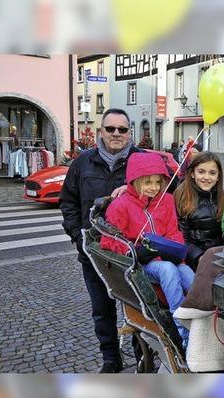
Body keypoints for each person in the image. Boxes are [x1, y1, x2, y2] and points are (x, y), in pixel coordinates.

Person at [60, 108, 142, 373]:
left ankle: (143, 356)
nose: (116, 134)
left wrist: (131, 190)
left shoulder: (140, 161)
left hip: (132, 252)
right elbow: (68, 201)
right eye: (111, 129)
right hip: (93, 252)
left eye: (122, 129)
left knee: (139, 307)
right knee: (101, 310)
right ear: (101, 131)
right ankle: (111, 359)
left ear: (130, 132)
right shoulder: (83, 162)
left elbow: (164, 193)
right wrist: (76, 235)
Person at [100, 152, 194, 347]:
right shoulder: (121, 205)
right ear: (134, 181)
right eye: (147, 182)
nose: (154, 188)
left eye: (158, 182)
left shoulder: (166, 200)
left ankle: (201, 319)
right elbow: (109, 241)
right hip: (143, 263)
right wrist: (133, 253)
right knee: (167, 269)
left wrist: (176, 253)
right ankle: (181, 328)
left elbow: (173, 231)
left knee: (189, 275)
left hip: (165, 256)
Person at [174, 151, 224, 271]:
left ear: (218, 176)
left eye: (212, 173)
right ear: (192, 173)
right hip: (193, 260)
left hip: (220, 257)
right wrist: (198, 256)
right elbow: (180, 237)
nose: (207, 177)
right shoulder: (181, 196)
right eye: (201, 172)